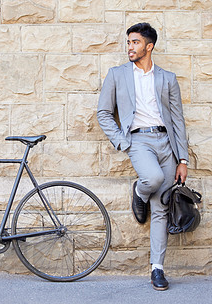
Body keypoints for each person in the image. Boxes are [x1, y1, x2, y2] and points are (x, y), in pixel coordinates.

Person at [97, 22, 189, 291]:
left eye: (135, 42)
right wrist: (122, 142)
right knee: (153, 178)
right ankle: (140, 190)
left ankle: (157, 268)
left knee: (161, 207)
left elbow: (177, 119)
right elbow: (104, 112)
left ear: (149, 46)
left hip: (166, 143)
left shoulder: (167, 78)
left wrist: (182, 159)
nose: (130, 47)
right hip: (138, 140)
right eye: (128, 42)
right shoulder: (117, 75)